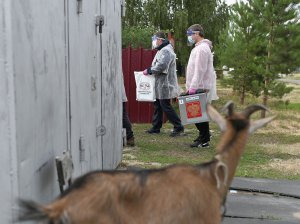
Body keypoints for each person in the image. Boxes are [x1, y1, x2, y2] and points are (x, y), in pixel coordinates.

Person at [143, 31, 184, 137]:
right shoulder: (162, 50)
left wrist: (150, 70)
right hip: (160, 83)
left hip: (165, 84)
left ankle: (178, 126)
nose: (154, 42)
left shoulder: (166, 51)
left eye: (155, 40)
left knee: (165, 106)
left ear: (160, 40)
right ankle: (156, 127)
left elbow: (161, 66)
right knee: (158, 105)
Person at [185, 24, 218, 148]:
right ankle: (203, 135)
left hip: (200, 86)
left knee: (198, 113)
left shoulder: (202, 49)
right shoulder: (199, 47)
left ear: (197, 34)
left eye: (190, 34)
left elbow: (200, 69)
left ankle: (204, 140)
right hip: (197, 85)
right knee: (197, 113)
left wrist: (193, 87)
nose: (189, 37)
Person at [121, 73, 135, 147]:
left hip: (117, 95)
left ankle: (129, 137)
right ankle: (129, 137)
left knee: (123, 116)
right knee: (123, 115)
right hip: (119, 95)